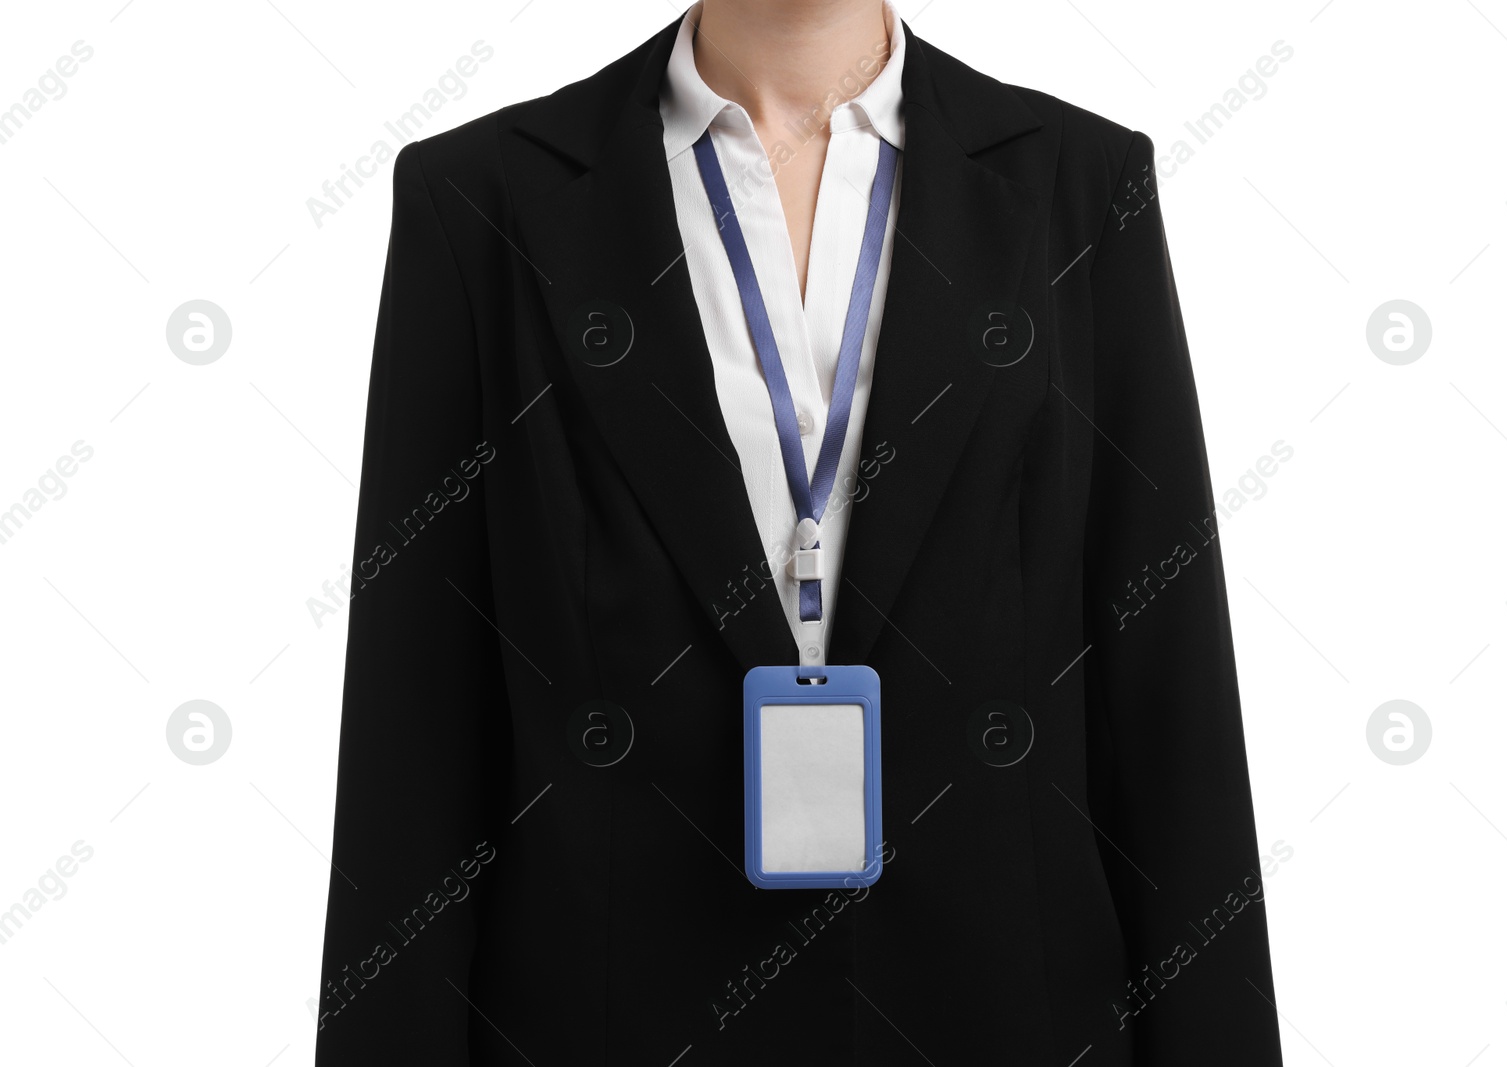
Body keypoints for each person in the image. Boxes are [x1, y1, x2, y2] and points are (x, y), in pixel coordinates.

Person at [314, 1, 1284, 1063]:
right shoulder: (484, 199)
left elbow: (1167, 700)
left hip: (1005, 1017)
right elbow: (414, 727)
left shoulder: (1078, 185)